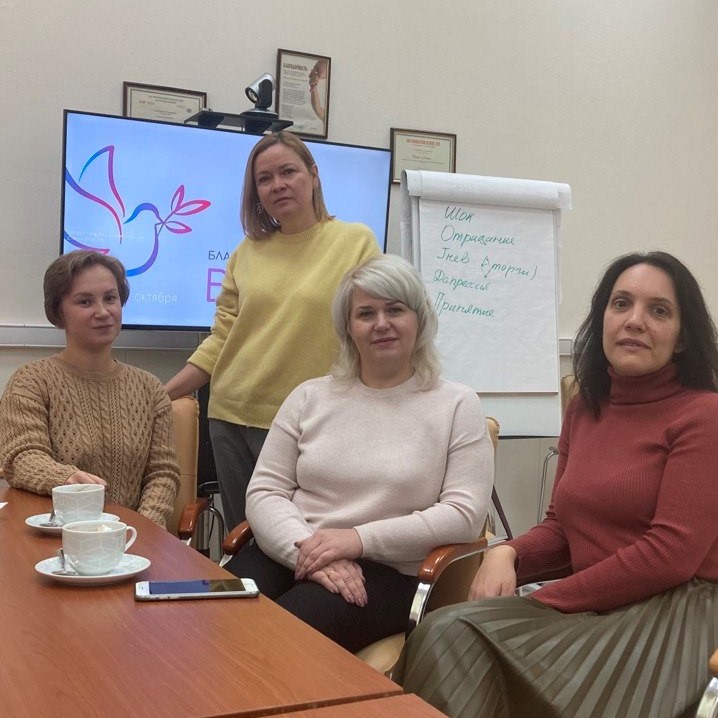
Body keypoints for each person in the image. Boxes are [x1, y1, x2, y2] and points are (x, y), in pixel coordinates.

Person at [394, 251, 718, 718]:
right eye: (621, 303)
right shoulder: (585, 409)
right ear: (602, 318)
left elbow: (670, 554)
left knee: (458, 636)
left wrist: (545, 601)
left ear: (683, 337)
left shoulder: (704, 414)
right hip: (598, 606)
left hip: (672, 617)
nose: (635, 320)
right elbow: (562, 528)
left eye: (659, 310)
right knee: (447, 631)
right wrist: (507, 553)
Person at [227, 254, 494, 652]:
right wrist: (311, 552)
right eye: (366, 313)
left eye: (395, 310)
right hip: (294, 549)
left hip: (389, 570)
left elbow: (464, 515)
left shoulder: (457, 404)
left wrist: (358, 540)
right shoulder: (309, 396)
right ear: (348, 328)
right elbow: (265, 491)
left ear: (419, 320)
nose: (381, 323)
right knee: (214, 616)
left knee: (279, 639)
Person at [164, 131, 379, 532]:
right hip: (230, 415)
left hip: (309, 422)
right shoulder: (245, 253)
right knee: (241, 542)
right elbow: (221, 339)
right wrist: (162, 395)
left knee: (303, 542)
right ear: (256, 192)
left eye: (288, 171)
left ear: (313, 175)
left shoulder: (356, 243)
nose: (277, 184)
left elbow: (374, 330)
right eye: (264, 179)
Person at [0, 251, 180, 528]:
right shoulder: (31, 381)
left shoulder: (150, 388)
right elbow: (21, 458)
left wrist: (142, 529)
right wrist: (66, 478)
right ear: (58, 312)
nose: (103, 312)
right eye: (85, 301)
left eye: (110, 298)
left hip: (131, 538)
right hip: (53, 537)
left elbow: (162, 474)